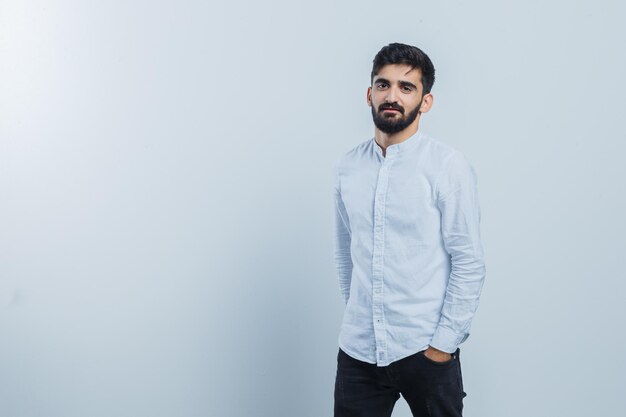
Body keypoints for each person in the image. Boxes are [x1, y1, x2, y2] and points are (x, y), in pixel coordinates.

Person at [332, 42, 486, 417]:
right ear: (369, 94)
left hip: (424, 351)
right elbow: (345, 253)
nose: (392, 96)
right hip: (358, 354)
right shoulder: (348, 167)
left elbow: (468, 262)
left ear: (425, 101)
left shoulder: (447, 166)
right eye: (383, 85)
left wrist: (442, 347)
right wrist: (361, 316)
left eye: (407, 87)